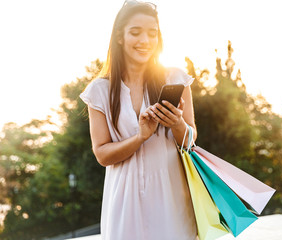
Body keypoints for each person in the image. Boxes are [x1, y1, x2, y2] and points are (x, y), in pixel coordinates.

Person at [80, 1, 197, 239]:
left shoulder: (175, 79)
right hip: (124, 199)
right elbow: (102, 154)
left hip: (172, 194)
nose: (145, 41)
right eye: (136, 32)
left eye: (152, 34)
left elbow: (190, 140)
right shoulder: (99, 91)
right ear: (120, 36)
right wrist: (141, 136)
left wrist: (177, 124)